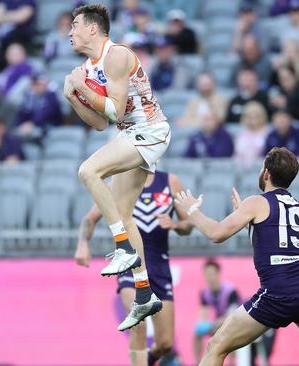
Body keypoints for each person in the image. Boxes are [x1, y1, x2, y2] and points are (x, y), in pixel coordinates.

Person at [174, 147, 299, 366]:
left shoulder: (257, 202)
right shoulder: (296, 206)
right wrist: (247, 218)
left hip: (277, 293)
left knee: (216, 347)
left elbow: (216, 234)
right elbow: (276, 240)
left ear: (266, 174)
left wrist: (192, 210)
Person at [65, 4, 171, 331]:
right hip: (132, 135)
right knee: (125, 215)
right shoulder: (88, 66)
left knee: (88, 171)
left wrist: (81, 88)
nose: (70, 31)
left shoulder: (117, 55)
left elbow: (113, 110)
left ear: (93, 29)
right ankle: (144, 293)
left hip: (150, 131)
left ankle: (122, 246)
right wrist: (73, 97)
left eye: (75, 25)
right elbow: (98, 124)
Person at [75, 170, 193, 366]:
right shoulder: (118, 185)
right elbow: (89, 219)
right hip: (130, 264)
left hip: (160, 267)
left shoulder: (170, 181)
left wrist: (175, 225)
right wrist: (82, 243)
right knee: (137, 322)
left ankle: (146, 359)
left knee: (165, 342)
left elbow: (188, 225)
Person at [194, 259, 241, 364]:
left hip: (235, 322)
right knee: (197, 332)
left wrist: (216, 323)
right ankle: (197, 362)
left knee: (230, 332)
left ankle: (232, 363)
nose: (209, 277)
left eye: (211, 274)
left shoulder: (231, 291)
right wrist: (202, 326)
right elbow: (202, 315)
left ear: (218, 274)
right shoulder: (205, 292)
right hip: (218, 324)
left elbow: (232, 315)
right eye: (206, 274)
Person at [0, 0, 36, 71]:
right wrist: (12, 15)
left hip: (21, 36)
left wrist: (3, 16)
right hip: (3, 38)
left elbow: (21, 18)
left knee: (12, 43)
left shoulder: (28, 1)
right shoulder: (5, 1)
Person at [15, 72, 63, 137]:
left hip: (51, 125)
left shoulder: (51, 95)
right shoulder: (29, 96)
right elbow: (23, 112)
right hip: (33, 126)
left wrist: (32, 123)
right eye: (34, 84)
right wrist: (23, 124)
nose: (37, 87)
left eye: (39, 84)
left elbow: (46, 112)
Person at [234, 101, 270, 167]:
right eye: (249, 116)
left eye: (256, 116)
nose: (252, 119)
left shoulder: (268, 133)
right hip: (242, 170)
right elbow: (236, 154)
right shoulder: (241, 133)